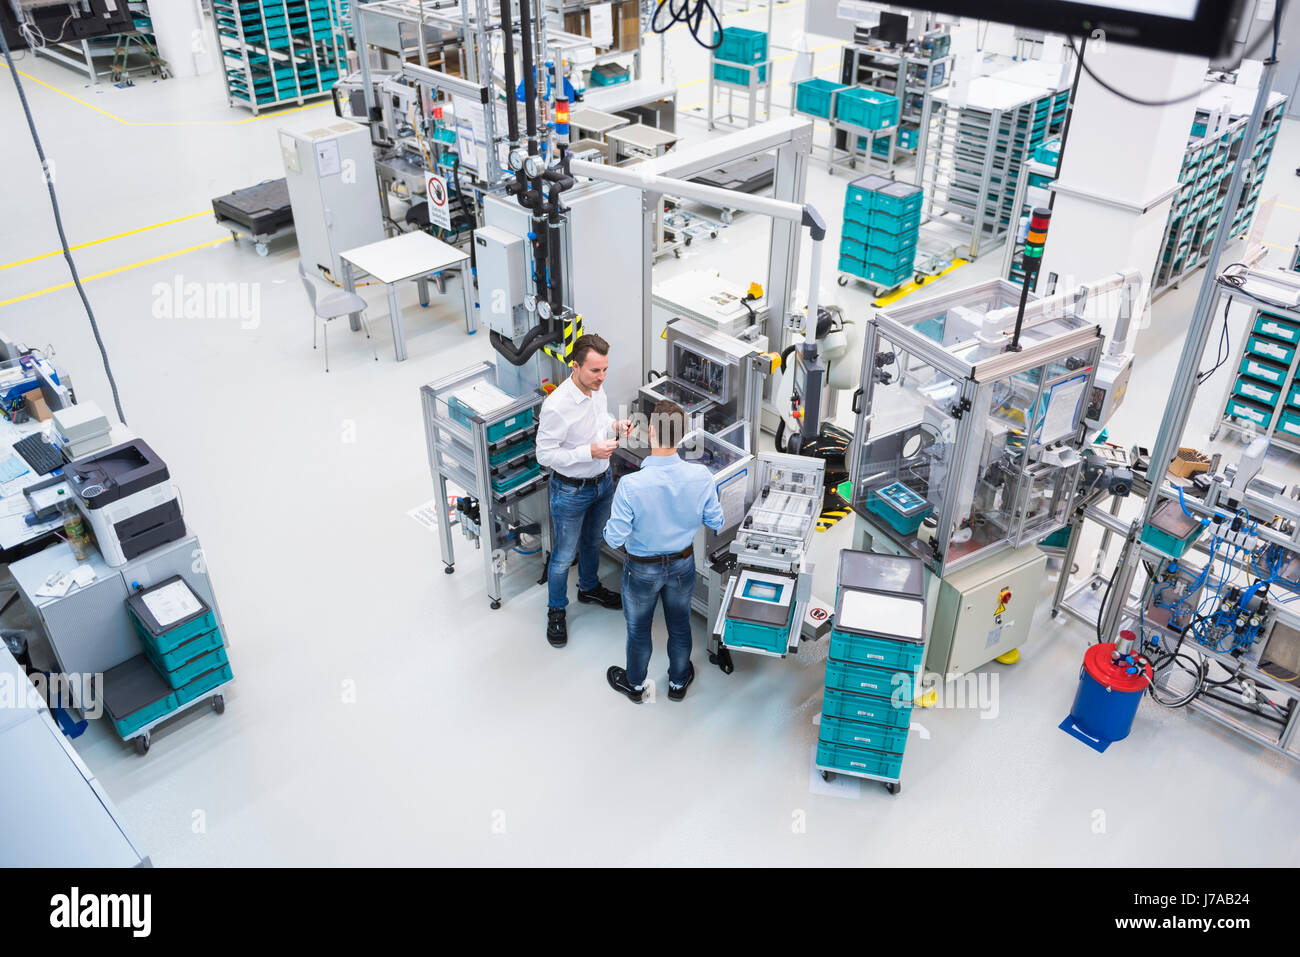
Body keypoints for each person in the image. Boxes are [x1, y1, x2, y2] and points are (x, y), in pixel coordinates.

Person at [603, 400, 724, 703]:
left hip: (642, 568)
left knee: (639, 629)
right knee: (680, 624)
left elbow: (614, 538)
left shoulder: (631, 485)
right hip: (682, 565)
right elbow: (716, 521)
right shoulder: (701, 477)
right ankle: (678, 683)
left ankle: (634, 685)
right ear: (683, 435)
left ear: (653, 430)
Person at [535, 333, 632, 648]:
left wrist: (614, 425)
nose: (602, 377)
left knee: (593, 542)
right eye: (595, 371)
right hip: (570, 491)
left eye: (605, 369)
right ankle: (556, 609)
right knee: (564, 555)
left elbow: (598, 417)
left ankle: (589, 587)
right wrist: (588, 452)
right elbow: (545, 456)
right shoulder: (557, 407)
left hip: (602, 482)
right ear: (574, 367)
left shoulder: (596, 390)